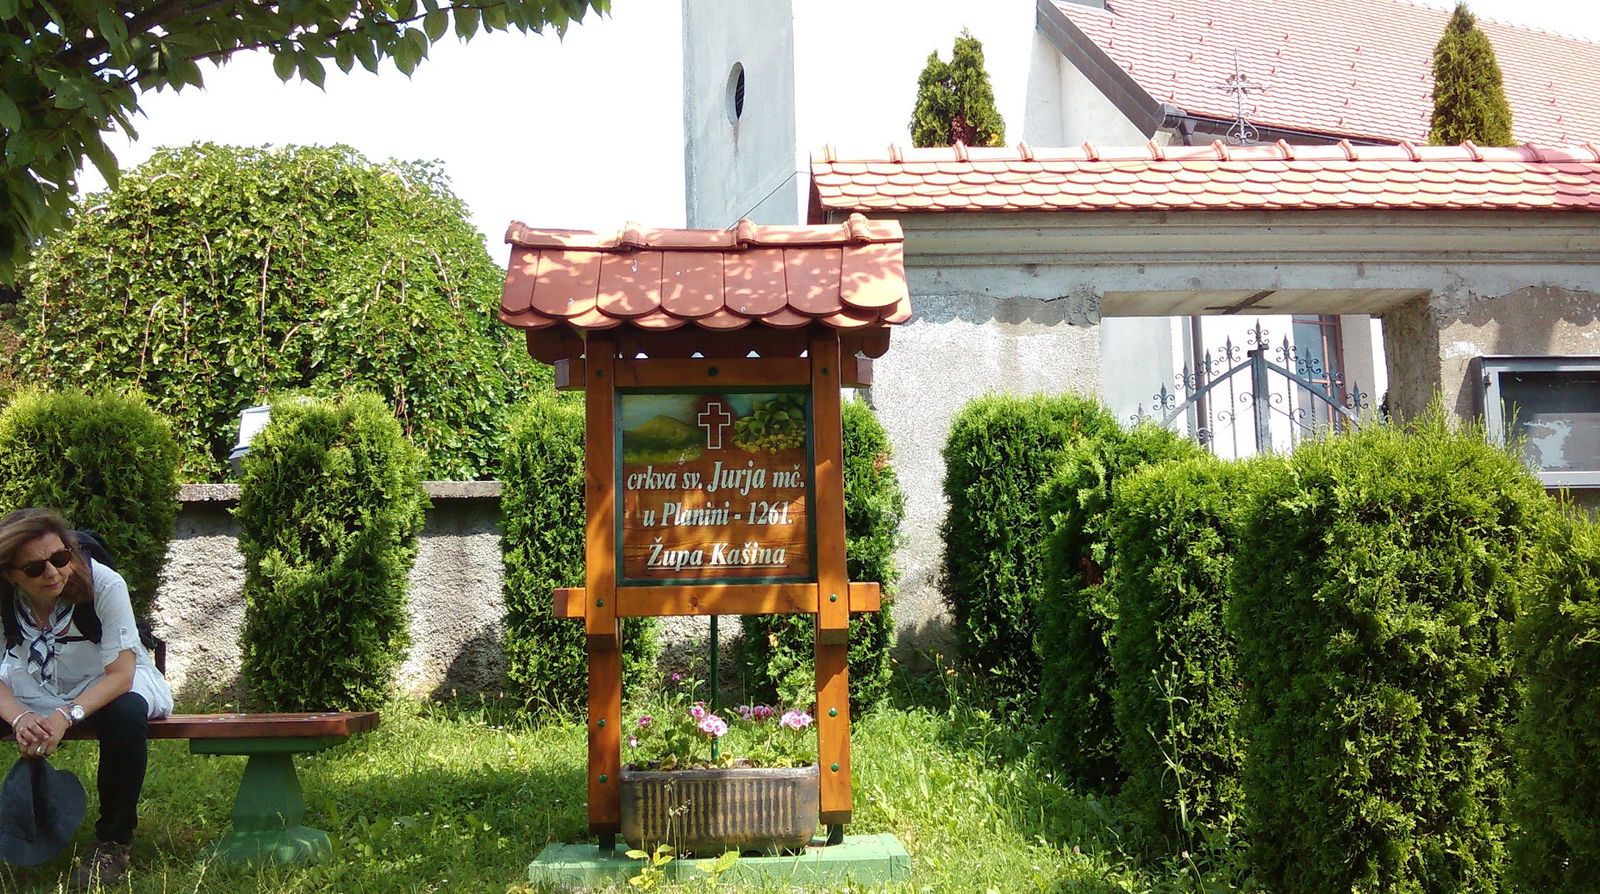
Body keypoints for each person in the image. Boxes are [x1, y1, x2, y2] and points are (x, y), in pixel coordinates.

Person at [0, 508, 171, 888]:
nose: (53, 573)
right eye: (35, 568)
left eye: (60, 558)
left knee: (127, 713)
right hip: (33, 682)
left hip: (108, 681)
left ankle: (114, 840)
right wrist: (19, 718)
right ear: (10, 575)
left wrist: (65, 715)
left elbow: (121, 675)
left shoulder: (104, 584)